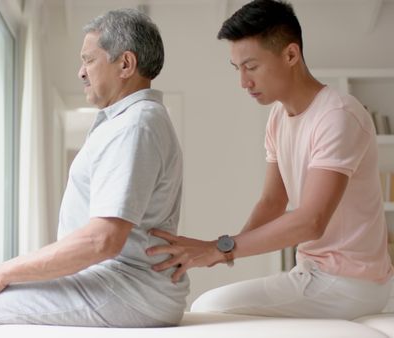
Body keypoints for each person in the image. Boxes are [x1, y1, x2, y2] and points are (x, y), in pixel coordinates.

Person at [0, 8, 188, 337]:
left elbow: (103, 240)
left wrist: (0, 273)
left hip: (128, 289)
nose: (81, 72)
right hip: (125, 284)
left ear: (125, 64)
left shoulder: (135, 125)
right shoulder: (131, 121)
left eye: (89, 60)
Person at [146, 0, 393, 320]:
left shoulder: (337, 115)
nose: (243, 82)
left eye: (251, 67)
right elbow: (272, 201)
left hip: (348, 283)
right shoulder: (278, 118)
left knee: (210, 306)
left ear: (291, 55)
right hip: (314, 272)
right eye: (237, 69)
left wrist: (219, 248)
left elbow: (311, 221)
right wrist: (222, 252)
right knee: (211, 305)